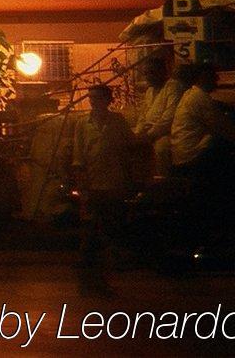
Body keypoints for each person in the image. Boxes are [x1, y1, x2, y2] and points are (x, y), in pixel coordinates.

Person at [71, 84, 134, 294]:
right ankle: (90, 266)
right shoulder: (82, 124)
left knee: (112, 224)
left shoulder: (118, 122)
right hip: (93, 181)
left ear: (108, 100)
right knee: (92, 225)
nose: (93, 101)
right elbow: (79, 157)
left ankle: (107, 267)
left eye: (97, 97)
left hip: (115, 181)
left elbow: (128, 150)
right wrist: (82, 185)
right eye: (91, 98)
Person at [170, 64, 235, 183]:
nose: (217, 79)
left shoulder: (191, 94)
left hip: (183, 155)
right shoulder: (199, 97)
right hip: (192, 157)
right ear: (203, 77)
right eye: (214, 76)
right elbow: (223, 127)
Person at [131, 56, 184, 178]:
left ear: (162, 72)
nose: (148, 76)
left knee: (161, 149)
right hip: (148, 132)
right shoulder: (150, 90)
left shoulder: (173, 87)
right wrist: (138, 133)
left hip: (167, 132)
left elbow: (169, 117)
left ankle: (165, 181)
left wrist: (150, 134)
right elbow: (143, 115)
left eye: (151, 72)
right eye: (146, 73)